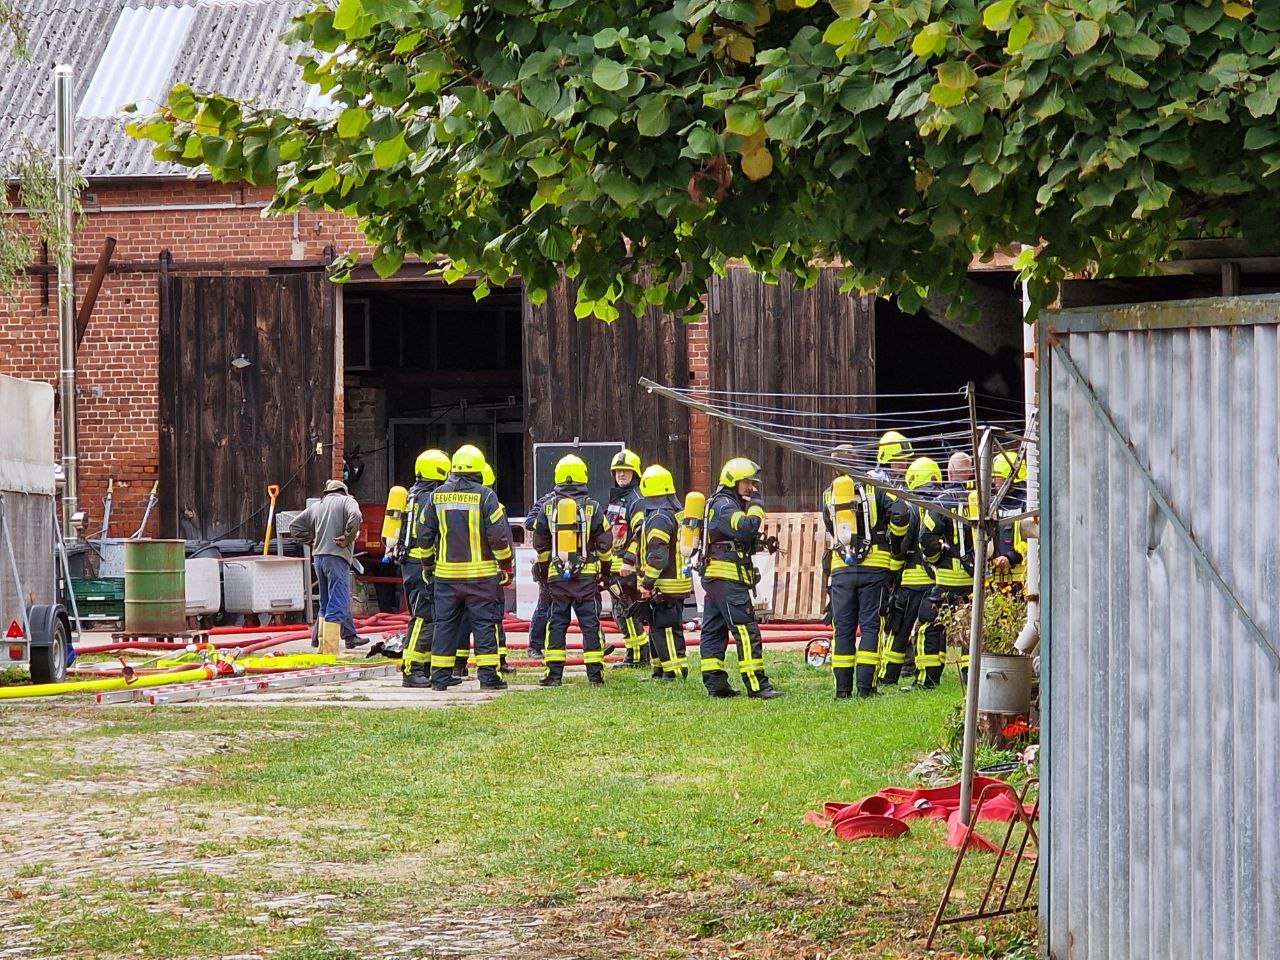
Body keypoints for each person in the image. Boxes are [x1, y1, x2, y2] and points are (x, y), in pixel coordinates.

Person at [420, 444, 514, 691]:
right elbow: (498, 537)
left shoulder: (436, 496)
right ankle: (488, 677)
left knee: (444, 625)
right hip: (481, 578)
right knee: (484, 625)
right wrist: (506, 566)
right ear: (478, 469)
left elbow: (424, 535)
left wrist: (428, 565)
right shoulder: (486, 496)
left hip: (445, 577)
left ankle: (439, 677)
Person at [823, 454, 912, 698]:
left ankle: (842, 690)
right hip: (875, 567)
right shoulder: (876, 488)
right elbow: (901, 513)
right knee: (871, 626)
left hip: (841, 569)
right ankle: (866, 688)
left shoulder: (828, 494)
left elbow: (831, 527)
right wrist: (895, 542)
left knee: (843, 628)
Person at [699, 458, 781, 699]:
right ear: (733, 481)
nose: (752, 487)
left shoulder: (721, 503)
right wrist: (757, 506)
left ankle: (716, 685)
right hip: (728, 579)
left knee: (714, 630)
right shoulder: (725, 505)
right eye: (747, 482)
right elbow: (746, 527)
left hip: (716, 579)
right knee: (746, 630)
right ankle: (758, 686)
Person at [530, 454, 613, 686]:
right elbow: (605, 544)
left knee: (556, 623)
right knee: (590, 624)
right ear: (583, 476)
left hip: (557, 578)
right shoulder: (593, 507)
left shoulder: (547, 508)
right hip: (586, 578)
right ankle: (595, 675)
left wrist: (544, 572)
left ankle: (553, 675)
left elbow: (540, 544)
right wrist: (605, 571)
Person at [880, 457, 942, 688]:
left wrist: (893, 573)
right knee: (932, 629)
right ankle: (928, 677)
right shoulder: (944, 506)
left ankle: (889, 675)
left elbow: (900, 545)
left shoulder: (911, 507)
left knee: (899, 629)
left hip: (910, 580)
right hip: (938, 580)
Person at [632, 465, 692, 680]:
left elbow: (658, 555)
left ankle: (674, 671)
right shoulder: (672, 513)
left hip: (665, 584)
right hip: (672, 582)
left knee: (666, 628)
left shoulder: (658, 517)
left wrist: (647, 582)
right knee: (657, 628)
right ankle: (659, 670)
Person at [294, 479, 365, 651]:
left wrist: (311, 540)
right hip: (336, 557)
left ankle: (321, 645)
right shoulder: (347, 501)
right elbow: (355, 516)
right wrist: (348, 537)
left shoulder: (317, 506)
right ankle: (330, 649)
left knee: (326, 602)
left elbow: (294, 526)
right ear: (344, 491)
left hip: (318, 558)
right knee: (338, 601)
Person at [399, 449, 450, 688]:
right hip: (422, 564)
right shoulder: (430, 498)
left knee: (430, 616)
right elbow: (430, 533)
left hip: (411, 563)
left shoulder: (412, 495)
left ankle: (426, 667)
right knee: (423, 616)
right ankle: (411, 669)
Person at [915, 494, 976, 688]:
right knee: (973, 628)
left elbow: (926, 538)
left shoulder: (943, 502)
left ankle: (928, 680)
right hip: (977, 580)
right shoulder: (986, 500)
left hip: (947, 582)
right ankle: (971, 678)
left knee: (930, 625)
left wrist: (937, 559)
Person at [607, 448, 650, 668]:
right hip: (615, 565)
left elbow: (639, 533)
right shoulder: (617, 499)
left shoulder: (636, 500)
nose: (621, 474)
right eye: (618, 471)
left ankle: (639, 656)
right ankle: (633, 653)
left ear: (635, 474)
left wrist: (629, 561)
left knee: (627, 611)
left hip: (627, 567)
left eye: (626, 471)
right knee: (620, 612)